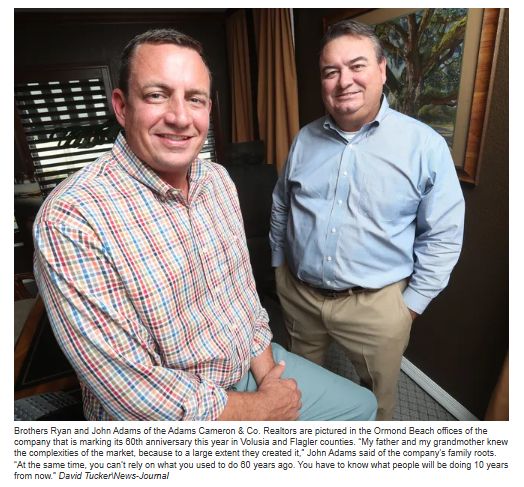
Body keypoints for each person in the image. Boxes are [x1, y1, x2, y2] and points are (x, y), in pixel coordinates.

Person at [33, 28, 377, 421]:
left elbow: (244, 300)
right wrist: (261, 409)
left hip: (244, 367)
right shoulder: (72, 218)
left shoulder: (218, 181)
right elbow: (132, 392)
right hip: (168, 416)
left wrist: (270, 381)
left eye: (194, 99)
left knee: (362, 407)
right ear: (122, 106)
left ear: (208, 110)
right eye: (157, 95)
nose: (180, 118)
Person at [270, 20, 465, 421]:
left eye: (356, 66)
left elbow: (443, 234)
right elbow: (281, 205)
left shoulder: (424, 146)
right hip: (300, 295)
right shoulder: (304, 139)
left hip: (377, 307)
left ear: (381, 70)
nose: (344, 81)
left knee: (377, 406)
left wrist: (409, 307)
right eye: (331, 71)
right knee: (297, 396)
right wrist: (278, 267)